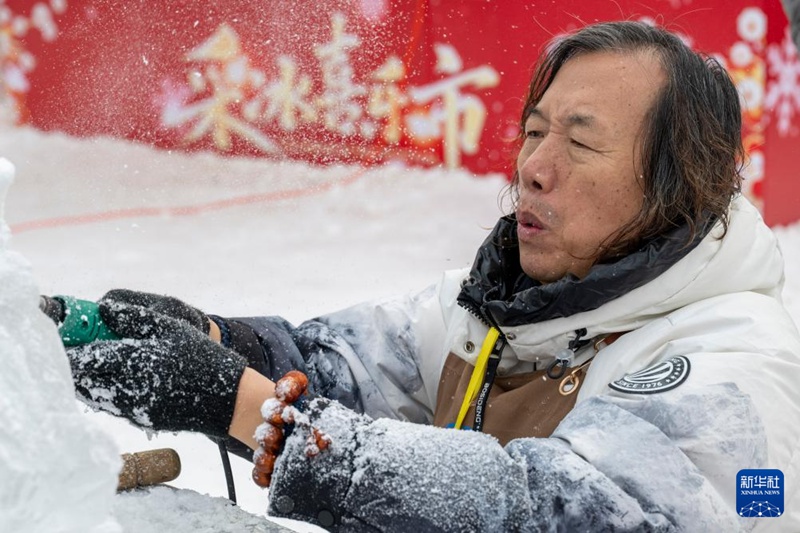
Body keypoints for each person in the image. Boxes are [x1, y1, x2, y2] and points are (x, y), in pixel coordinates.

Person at [63, 21, 800, 532]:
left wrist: (250, 408)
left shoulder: (732, 367)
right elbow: (339, 368)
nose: (533, 169)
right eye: (535, 131)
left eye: (579, 143)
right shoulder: (510, 305)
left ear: (676, 183)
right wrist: (217, 342)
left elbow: (552, 509)